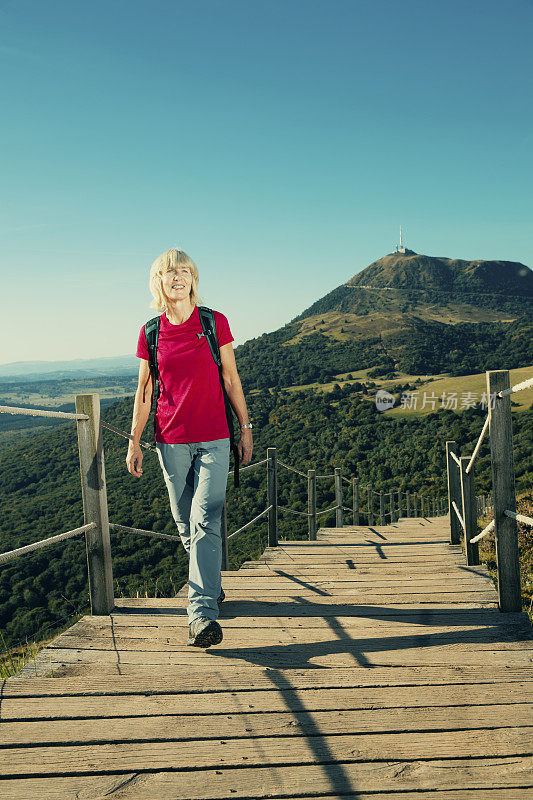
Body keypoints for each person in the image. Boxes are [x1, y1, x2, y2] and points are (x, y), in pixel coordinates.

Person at [126, 248, 253, 647]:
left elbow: (231, 379)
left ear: (193, 278)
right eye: (168, 272)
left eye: (184, 270)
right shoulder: (151, 332)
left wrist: (245, 429)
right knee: (186, 523)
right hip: (170, 441)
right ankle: (211, 585)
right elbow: (144, 391)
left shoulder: (214, 322)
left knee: (204, 521)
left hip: (215, 438)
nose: (177, 277)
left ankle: (201, 615)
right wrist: (134, 440)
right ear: (158, 282)